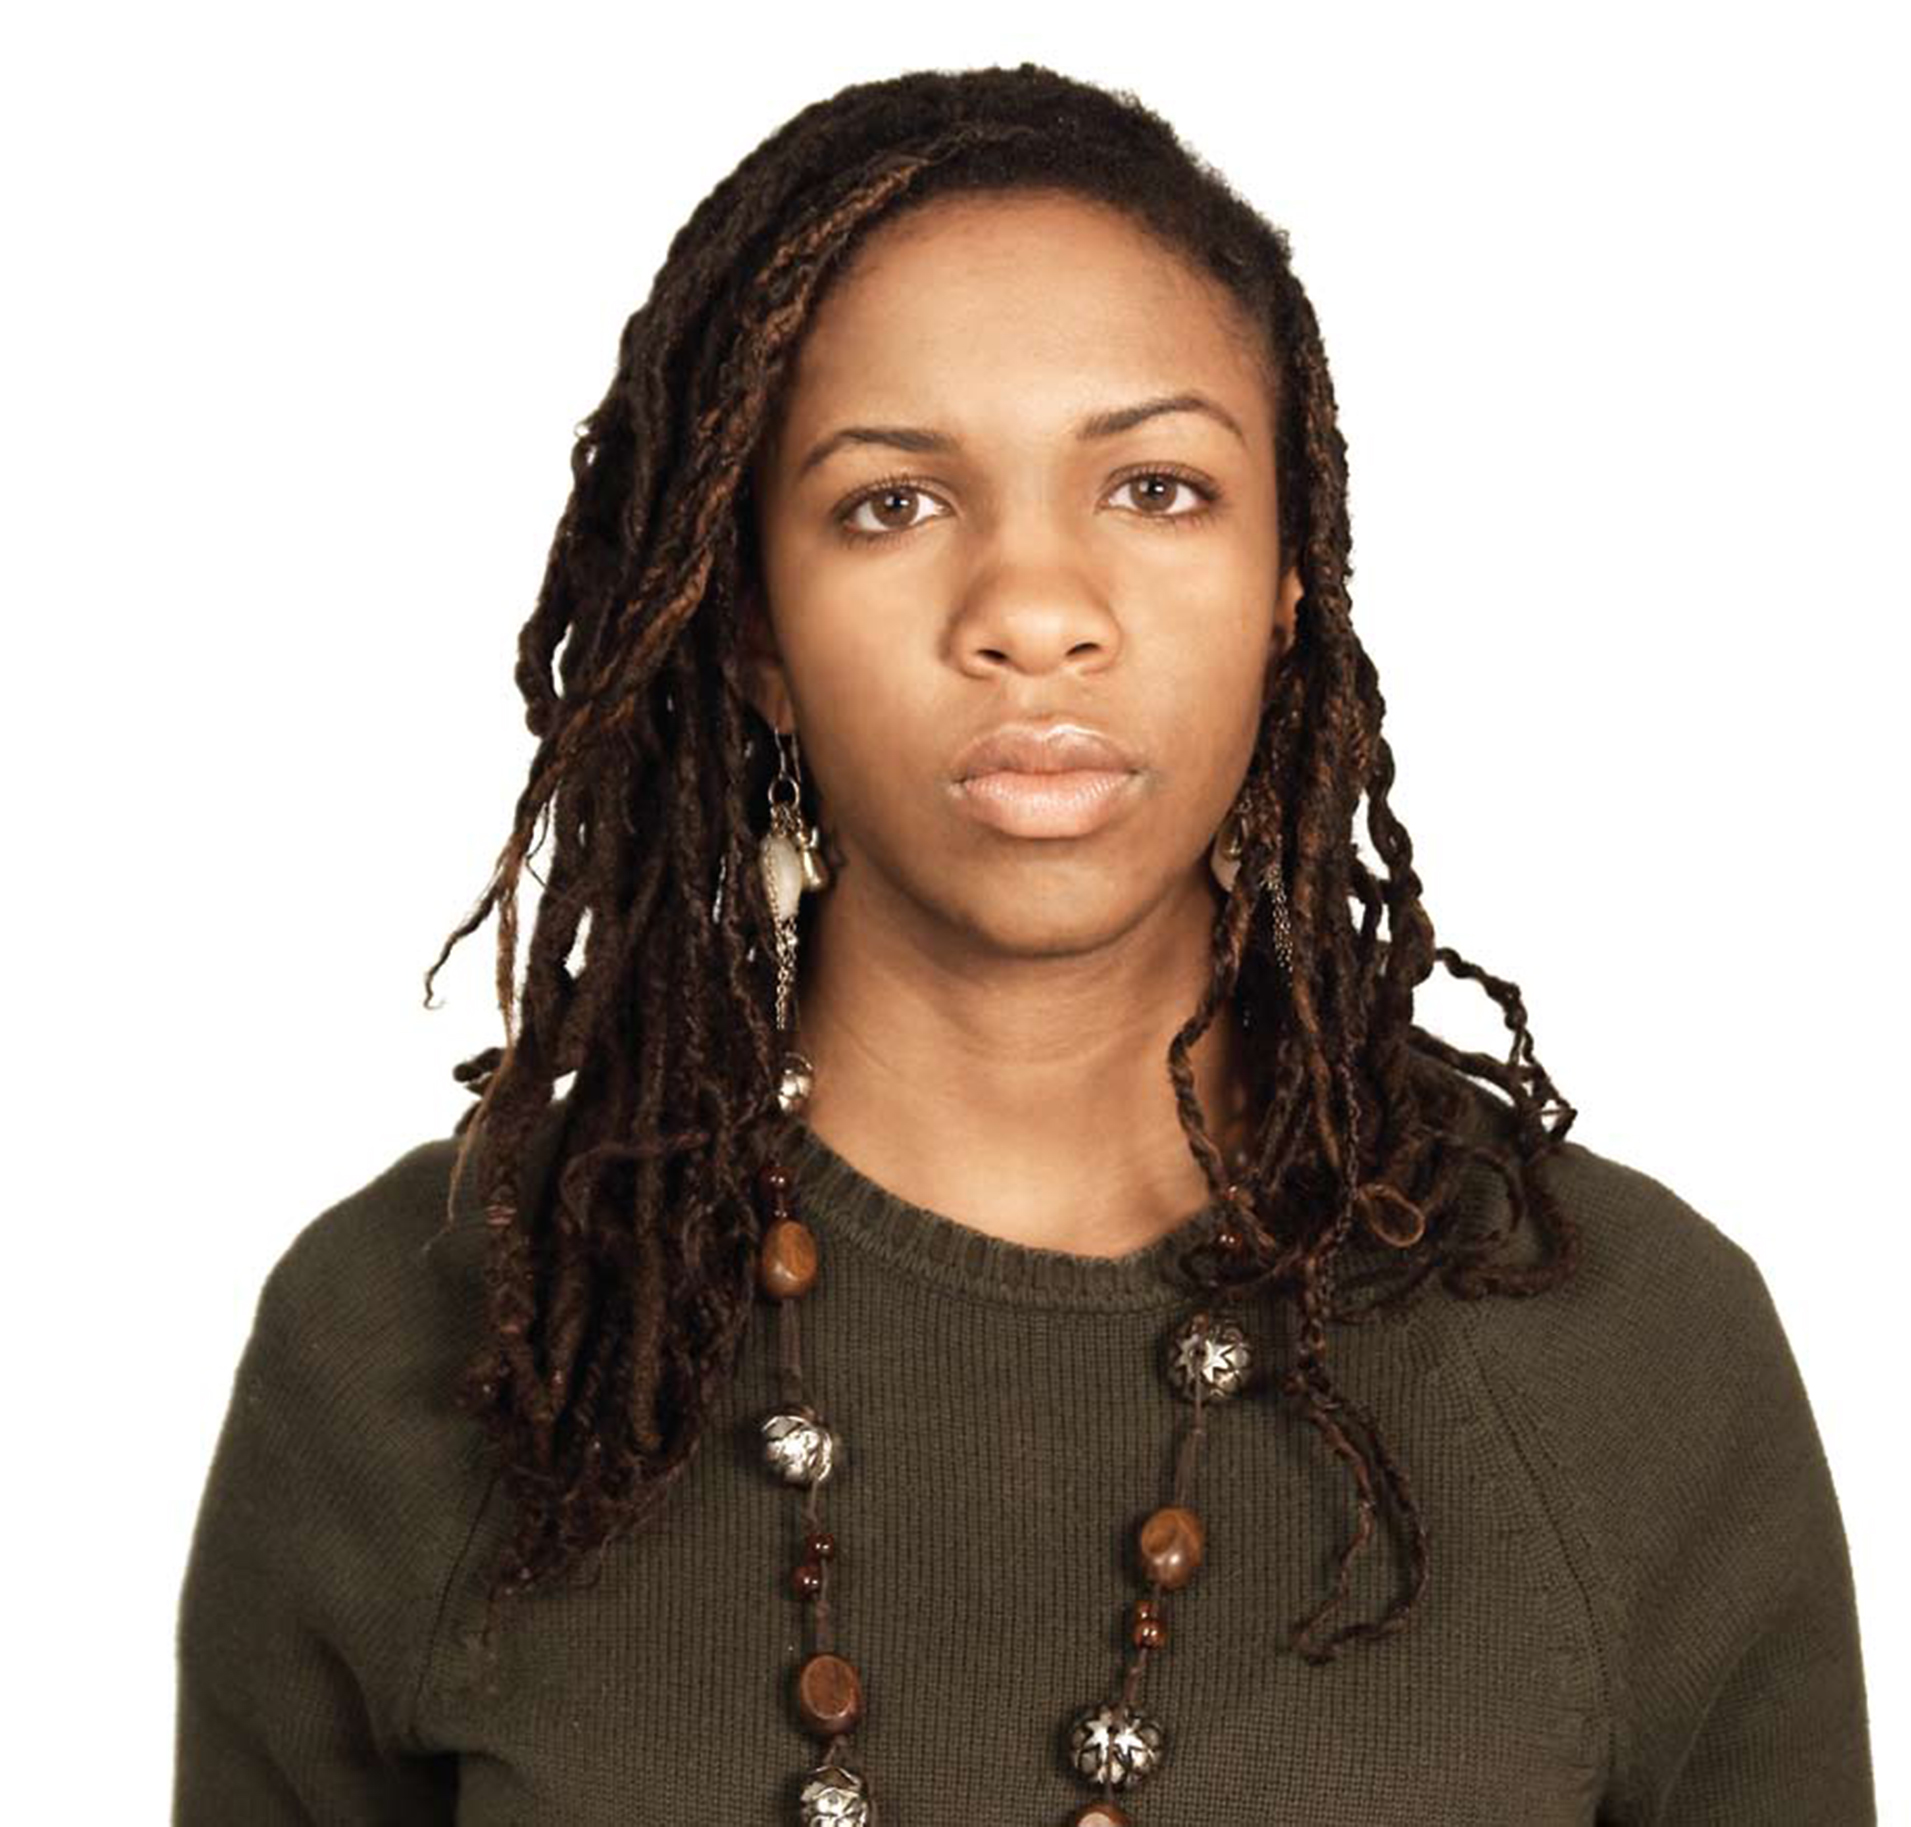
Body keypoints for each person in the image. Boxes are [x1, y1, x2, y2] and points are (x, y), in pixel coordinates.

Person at [173, 62, 1876, 1825]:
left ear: (1293, 583)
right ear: (750, 618)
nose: (1034, 613)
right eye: (892, 504)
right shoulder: (418, 1340)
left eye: (1155, 489)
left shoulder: (1627, 1356)